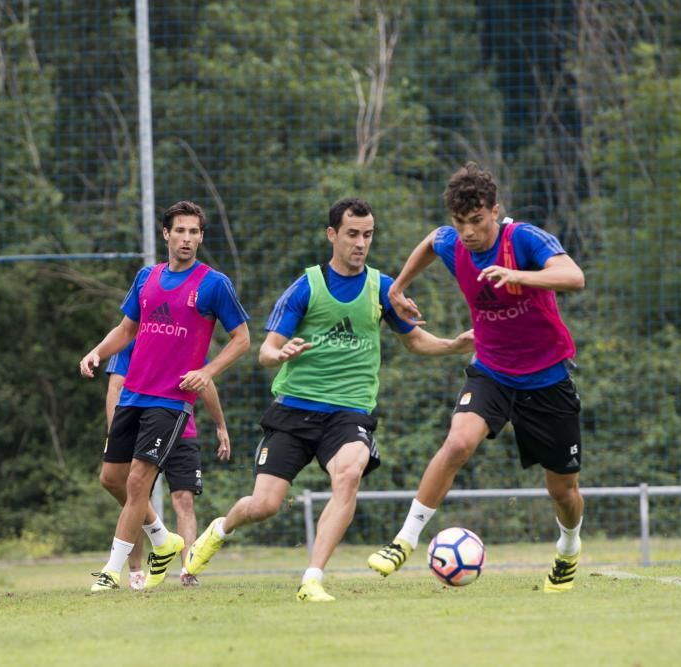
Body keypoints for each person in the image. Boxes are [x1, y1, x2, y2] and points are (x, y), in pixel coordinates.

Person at [184, 197, 474, 602]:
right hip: (295, 409)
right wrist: (280, 354)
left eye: (368, 235)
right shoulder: (307, 285)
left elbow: (413, 341)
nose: (361, 243)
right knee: (264, 506)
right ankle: (219, 530)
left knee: (349, 474)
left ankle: (312, 578)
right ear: (332, 235)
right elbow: (266, 351)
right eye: (352, 234)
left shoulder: (382, 287)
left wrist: (453, 345)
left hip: (348, 412)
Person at [367, 162, 586, 593]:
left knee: (563, 491)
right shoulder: (454, 241)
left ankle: (569, 548)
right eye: (460, 222)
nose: (467, 231)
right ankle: (405, 539)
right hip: (492, 371)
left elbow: (574, 277)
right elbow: (433, 240)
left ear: (495, 211)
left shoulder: (522, 239)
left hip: (546, 377)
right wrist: (398, 288)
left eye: (477, 221)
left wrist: (519, 275)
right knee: (458, 442)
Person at [79, 200, 250, 592]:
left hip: (171, 402)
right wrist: (96, 352)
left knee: (139, 481)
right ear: (166, 234)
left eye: (195, 232)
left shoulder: (213, 284)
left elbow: (242, 340)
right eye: (181, 231)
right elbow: (126, 330)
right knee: (112, 479)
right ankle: (162, 538)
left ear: (201, 237)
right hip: (133, 396)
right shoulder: (146, 278)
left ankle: (111, 569)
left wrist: (207, 372)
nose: (187, 239)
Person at [101, 340, 231, 588]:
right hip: (141, 433)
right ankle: (137, 571)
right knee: (134, 497)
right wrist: (115, 436)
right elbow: (115, 388)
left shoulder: (185, 339)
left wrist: (220, 424)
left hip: (182, 431)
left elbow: (205, 382)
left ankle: (188, 570)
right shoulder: (128, 341)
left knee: (184, 499)